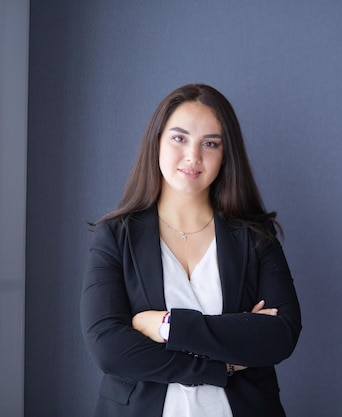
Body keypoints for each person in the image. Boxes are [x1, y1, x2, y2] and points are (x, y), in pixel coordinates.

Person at [80, 84, 301, 417]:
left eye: (210, 143)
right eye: (179, 138)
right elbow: (109, 350)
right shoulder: (116, 236)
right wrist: (222, 364)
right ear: (156, 142)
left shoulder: (255, 236)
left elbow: (280, 336)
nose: (193, 156)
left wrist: (167, 327)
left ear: (227, 154)